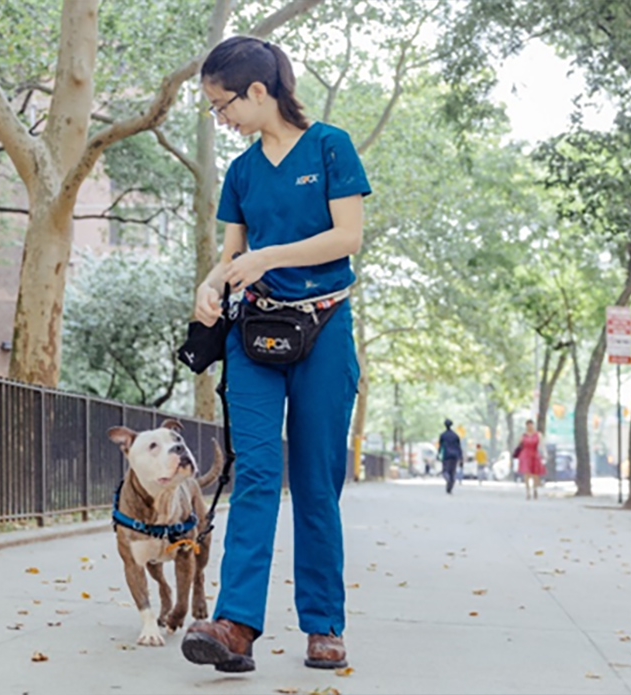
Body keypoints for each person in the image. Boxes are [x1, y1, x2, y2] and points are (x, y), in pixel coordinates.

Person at [180, 36, 370, 674]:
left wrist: (268, 256)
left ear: (257, 91)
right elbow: (234, 254)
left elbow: (348, 236)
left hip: (324, 329)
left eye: (221, 104)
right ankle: (235, 625)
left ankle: (323, 625)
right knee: (257, 475)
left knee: (317, 482)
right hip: (253, 336)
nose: (221, 117)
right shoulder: (241, 172)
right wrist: (212, 283)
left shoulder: (329, 146)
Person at [516, 419, 546, 500]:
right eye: (528, 425)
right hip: (525, 455)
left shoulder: (538, 435)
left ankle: (535, 489)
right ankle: (528, 491)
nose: (530, 427)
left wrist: (544, 453)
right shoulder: (523, 435)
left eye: (531, 425)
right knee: (526, 473)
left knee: (535, 474)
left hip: (535, 454)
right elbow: (519, 445)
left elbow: (542, 445)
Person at [438, 419, 462, 494]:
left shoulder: (443, 435)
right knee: (452, 472)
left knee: (445, 471)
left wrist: (438, 454)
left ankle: (447, 479)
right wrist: (461, 457)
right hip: (455, 455)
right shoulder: (455, 435)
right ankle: (449, 488)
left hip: (446, 455)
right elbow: (459, 447)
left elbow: (440, 446)